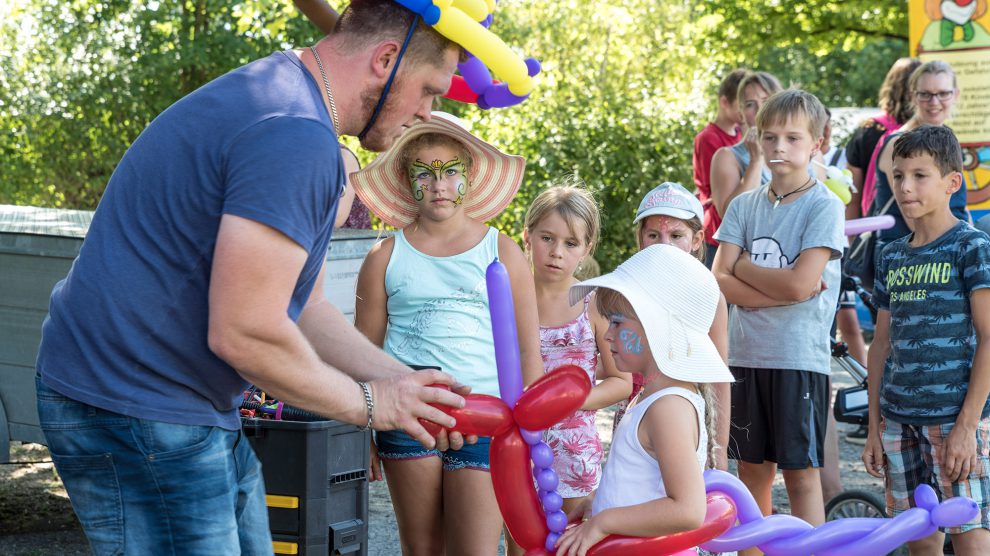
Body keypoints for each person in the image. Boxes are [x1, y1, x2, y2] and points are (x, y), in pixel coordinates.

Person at [34, 1, 470, 553]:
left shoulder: (289, 100)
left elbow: (302, 308)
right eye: (430, 90)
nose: (429, 112)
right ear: (386, 60)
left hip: (180, 402)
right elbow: (245, 332)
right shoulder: (294, 134)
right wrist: (368, 403)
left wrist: (405, 384)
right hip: (134, 404)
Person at [351, 112, 543, 555]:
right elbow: (361, 353)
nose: (438, 185)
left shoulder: (503, 252)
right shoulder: (384, 256)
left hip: (487, 419)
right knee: (421, 549)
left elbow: (529, 355)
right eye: (424, 173)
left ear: (468, 176)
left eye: (449, 172)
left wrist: (532, 436)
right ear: (406, 178)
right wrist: (361, 433)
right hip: (407, 418)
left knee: (473, 549)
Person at [712, 89, 845, 530]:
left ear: (817, 142)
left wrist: (746, 268)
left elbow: (801, 282)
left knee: (801, 475)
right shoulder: (744, 207)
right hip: (746, 356)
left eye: (792, 137)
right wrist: (787, 291)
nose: (779, 148)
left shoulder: (824, 205)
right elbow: (718, 280)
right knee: (752, 475)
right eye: (770, 138)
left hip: (797, 359)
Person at [553, 244, 735, 556]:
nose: (608, 335)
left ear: (657, 328)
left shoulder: (669, 407)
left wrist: (604, 521)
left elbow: (688, 510)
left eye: (617, 322)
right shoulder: (652, 396)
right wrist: (597, 501)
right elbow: (643, 483)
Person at [861, 125, 990, 554]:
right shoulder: (891, 254)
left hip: (955, 421)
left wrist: (968, 426)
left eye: (920, 175)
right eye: (898, 176)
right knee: (919, 544)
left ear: (952, 182)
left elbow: (989, 337)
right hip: (898, 421)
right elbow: (881, 346)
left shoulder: (971, 247)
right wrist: (875, 428)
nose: (905, 186)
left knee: (971, 539)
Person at [522, 184, 632, 519]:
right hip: (518, 442)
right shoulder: (511, 299)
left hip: (574, 448)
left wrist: (571, 401)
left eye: (570, 243)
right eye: (547, 238)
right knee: (521, 544)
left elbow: (621, 380)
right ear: (527, 235)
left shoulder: (594, 302)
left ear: (586, 248)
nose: (557, 251)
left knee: (569, 539)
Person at [612, 182, 732, 471]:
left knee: (682, 496)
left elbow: (719, 376)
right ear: (641, 238)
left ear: (696, 240)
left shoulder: (709, 297)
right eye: (654, 235)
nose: (664, 245)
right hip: (636, 420)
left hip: (686, 420)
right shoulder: (625, 291)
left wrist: (720, 448)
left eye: (676, 235)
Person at [873, 60, 970, 251]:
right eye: (925, 94)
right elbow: (918, 221)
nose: (934, 102)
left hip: (950, 245)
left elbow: (958, 203)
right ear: (913, 96)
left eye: (943, 94)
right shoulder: (899, 144)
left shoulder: (947, 137)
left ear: (955, 95)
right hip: (909, 260)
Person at [844, 57, 920, 221]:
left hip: (878, 225)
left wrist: (855, 240)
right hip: (921, 224)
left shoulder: (867, 130)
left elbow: (852, 196)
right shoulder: (927, 133)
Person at [693, 68, 748, 268]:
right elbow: (719, 192)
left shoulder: (740, 134)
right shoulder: (709, 138)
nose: (747, 111)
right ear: (725, 102)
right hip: (715, 230)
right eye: (742, 105)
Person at [709, 71, 784, 219]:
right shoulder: (726, 156)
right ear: (741, 113)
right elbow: (729, 216)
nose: (760, 109)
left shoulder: (803, 149)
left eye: (766, 100)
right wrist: (755, 161)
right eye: (750, 104)